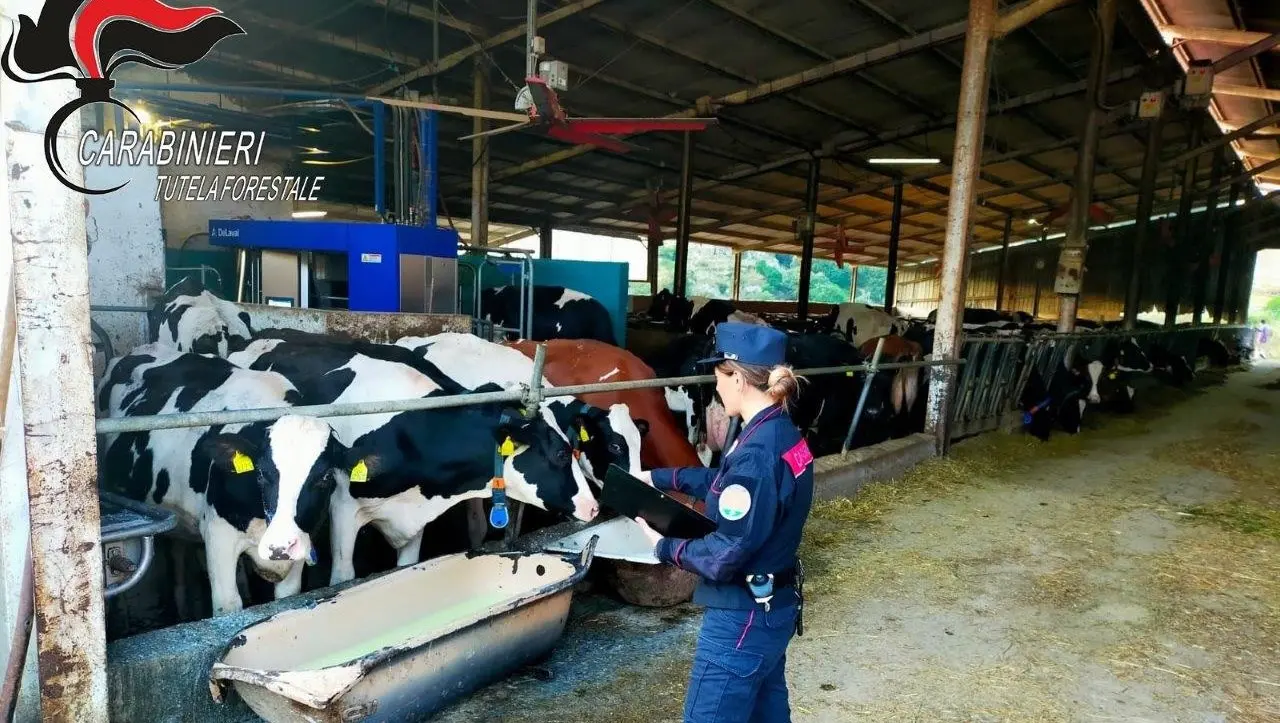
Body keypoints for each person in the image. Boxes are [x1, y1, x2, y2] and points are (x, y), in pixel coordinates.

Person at [633, 321, 814, 723]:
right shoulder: (783, 434)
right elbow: (729, 485)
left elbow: (723, 555)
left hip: (741, 621)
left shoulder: (755, 453)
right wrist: (659, 478)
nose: (715, 389)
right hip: (773, 608)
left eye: (718, 378)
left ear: (738, 379)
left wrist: (661, 546)